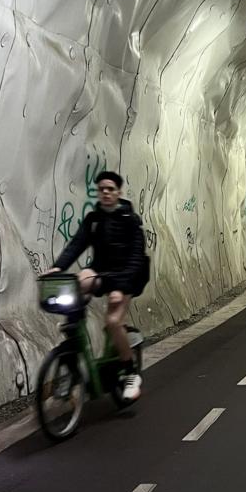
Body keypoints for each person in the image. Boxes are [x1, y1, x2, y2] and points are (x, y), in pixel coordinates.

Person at [47, 171, 148, 401]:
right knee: (79, 280)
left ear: (119, 192)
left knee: (112, 321)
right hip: (102, 272)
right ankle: (74, 339)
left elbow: (136, 259)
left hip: (127, 276)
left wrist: (120, 289)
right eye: (101, 189)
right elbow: (76, 245)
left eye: (110, 189)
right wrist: (58, 267)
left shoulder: (130, 221)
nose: (105, 193)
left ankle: (131, 372)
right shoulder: (94, 219)